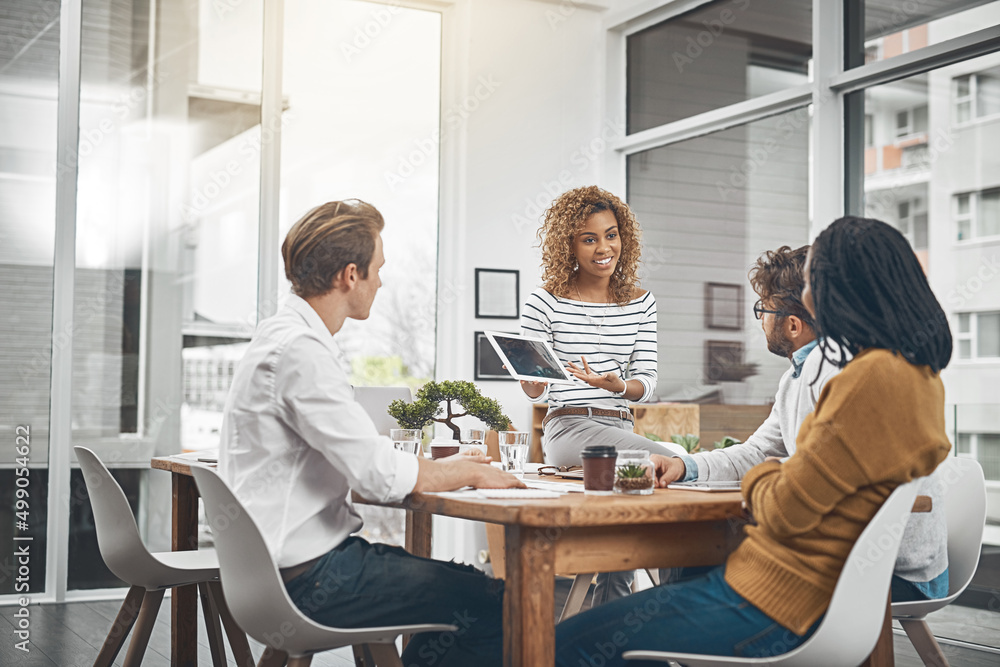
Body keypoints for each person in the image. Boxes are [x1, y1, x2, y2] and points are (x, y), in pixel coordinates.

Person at [555, 216, 953, 665]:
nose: (807, 295)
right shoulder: (912, 373)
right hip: (803, 582)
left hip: (793, 597)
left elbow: (785, 505)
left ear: (841, 291)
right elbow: (770, 457)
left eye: (815, 283)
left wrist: (772, 473)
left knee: (570, 643)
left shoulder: (868, 378)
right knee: (674, 586)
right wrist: (693, 466)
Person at [218, 200, 523, 667]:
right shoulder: (301, 353)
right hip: (310, 580)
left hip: (271, 576)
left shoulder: (277, 338)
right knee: (493, 600)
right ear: (349, 275)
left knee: (460, 588)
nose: (381, 281)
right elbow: (377, 477)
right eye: (377, 269)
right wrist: (465, 471)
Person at [654, 244, 949, 601]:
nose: (760, 321)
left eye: (763, 310)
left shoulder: (840, 372)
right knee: (703, 556)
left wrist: (775, 473)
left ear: (793, 325)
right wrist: (682, 465)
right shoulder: (799, 375)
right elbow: (758, 453)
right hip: (869, 555)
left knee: (696, 555)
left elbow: (811, 483)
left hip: (889, 567)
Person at [519, 185, 685, 603]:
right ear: (569, 245)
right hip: (569, 427)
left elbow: (646, 384)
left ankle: (610, 623)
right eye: (589, 239)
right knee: (672, 464)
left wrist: (618, 386)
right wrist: (528, 376)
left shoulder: (642, 303)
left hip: (619, 425)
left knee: (634, 511)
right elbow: (535, 389)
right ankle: (678, 608)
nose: (603, 248)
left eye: (611, 235)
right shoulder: (545, 302)